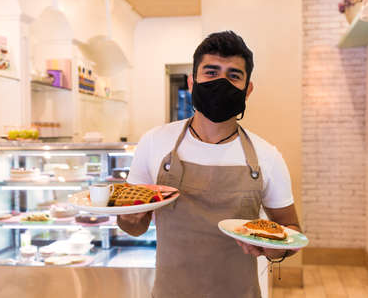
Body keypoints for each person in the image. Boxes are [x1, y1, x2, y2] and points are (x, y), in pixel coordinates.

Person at [117, 30, 301, 298]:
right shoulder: (154, 142)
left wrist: (275, 249)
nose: (221, 82)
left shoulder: (267, 156)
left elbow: (291, 230)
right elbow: (133, 227)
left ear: (247, 90)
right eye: (211, 72)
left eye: (234, 75)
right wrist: (126, 216)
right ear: (192, 83)